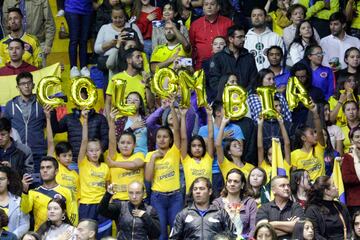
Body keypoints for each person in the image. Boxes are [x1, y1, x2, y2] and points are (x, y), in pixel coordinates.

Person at [145, 99, 183, 240]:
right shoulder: (150, 155)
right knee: (161, 235)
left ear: (171, 140)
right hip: (157, 197)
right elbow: (148, 179)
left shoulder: (175, 151)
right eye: (159, 137)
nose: (161, 140)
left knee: (176, 233)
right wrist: (154, 157)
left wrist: (172, 107)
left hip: (175, 197)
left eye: (165, 137)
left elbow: (177, 130)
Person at [77, 109, 111, 238]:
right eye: (91, 151)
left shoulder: (105, 167)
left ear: (101, 151)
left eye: (97, 150)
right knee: (85, 235)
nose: (94, 153)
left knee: (104, 234)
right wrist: (85, 122)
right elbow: (84, 141)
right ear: (86, 153)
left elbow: (108, 188)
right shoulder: (83, 163)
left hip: (102, 205)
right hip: (87, 205)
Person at [21, 156, 77, 231]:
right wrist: (24, 191)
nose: (45, 170)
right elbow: (25, 210)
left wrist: (69, 232)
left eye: (48, 167)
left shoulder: (68, 192)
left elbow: (73, 215)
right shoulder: (32, 192)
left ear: (56, 171)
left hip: (61, 235)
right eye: (42, 168)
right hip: (40, 235)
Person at [4, 71, 45, 174]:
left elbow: (50, 126)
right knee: (16, 183)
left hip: (38, 152)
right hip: (16, 153)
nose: (26, 86)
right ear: (18, 87)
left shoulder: (42, 103)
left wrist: (42, 142)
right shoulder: (10, 105)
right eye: (23, 84)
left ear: (33, 85)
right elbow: (4, 128)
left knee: (36, 183)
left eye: (29, 83)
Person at [169, 177, 237, 239]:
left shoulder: (220, 213)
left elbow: (234, 235)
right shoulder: (183, 214)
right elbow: (173, 238)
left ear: (210, 191)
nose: (197, 191)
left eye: (202, 188)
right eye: (195, 189)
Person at [51, 100, 109, 165]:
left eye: (83, 98)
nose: (82, 101)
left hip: (93, 162)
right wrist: (52, 111)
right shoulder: (69, 118)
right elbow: (56, 129)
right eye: (78, 98)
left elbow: (106, 140)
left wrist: (94, 153)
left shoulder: (100, 118)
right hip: (73, 162)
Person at [208, 25, 258, 97]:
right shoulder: (218, 57)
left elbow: (253, 80)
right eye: (239, 37)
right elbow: (214, 82)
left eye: (244, 37)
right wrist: (228, 94)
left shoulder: (249, 57)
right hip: (224, 99)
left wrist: (242, 94)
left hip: (245, 98)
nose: (243, 39)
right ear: (231, 39)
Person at [107, 108, 145, 201]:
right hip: (118, 200)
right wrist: (112, 121)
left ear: (134, 145)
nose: (125, 146)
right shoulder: (114, 157)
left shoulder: (139, 155)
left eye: (129, 143)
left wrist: (114, 164)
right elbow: (112, 141)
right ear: (118, 145)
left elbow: (134, 165)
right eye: (122, 143)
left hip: (138, 200)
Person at [2, 0, 55, 66]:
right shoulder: (7, 1)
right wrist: (10, 43)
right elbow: (6, 23)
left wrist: (48, 44)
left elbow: (49, 22)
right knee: (13, 73)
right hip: (15, 46)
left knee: (39, 72)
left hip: (38, 43)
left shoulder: (42, 0)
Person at [105, 48, 154, 117]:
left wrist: (147, 84)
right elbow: (108, 104)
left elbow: (151, 106)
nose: (141, 60)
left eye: (141, 57)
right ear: (129, 60)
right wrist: (110, 123)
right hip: (120, 121)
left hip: (140, 121)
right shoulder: (116, 78)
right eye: (138, 57)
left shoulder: (145, 79)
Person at [94, 4, 143, 73]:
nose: (118, 20)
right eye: (115, 17)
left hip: (130, 59)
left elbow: (142, 45)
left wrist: (130, 43)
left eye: (120, 17)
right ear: (111, 17)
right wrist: (111, 44)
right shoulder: (104, 28)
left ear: (125, 17)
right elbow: (96, 49)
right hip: (110, 60)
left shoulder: (133, 26)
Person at [256, 176, 304, 240]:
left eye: (288, 185)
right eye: (282, 186)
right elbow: (263, 231)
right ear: (273, 190)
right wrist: (290, 227)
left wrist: (271, 224)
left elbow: (300, 228)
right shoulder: (264, 208)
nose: (287, 188)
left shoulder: (296, 206)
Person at [213, 169, 257, 238]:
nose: (232, 184)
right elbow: (213, 228)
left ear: (242, 184)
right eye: (229, 181)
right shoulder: (217, 203)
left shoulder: (250, 203)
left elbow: (253, 228)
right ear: (226, 183)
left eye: (236, 181)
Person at [189, 0, 233, 70]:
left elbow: (232, 45)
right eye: (206, 4)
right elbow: (191, 47)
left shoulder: (228, 23)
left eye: (212, 4)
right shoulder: (195, 24)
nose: (209, 7)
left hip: (224, 66)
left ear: (218, 7)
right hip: (200, 67)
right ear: (203, 8)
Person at [305, 175, 352, 240]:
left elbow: (349, 229)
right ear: (326, 191)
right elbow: (315, 235)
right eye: (333, 185)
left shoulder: (341, 206)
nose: (337, 188)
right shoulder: (312, 210)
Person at [180, 106, 213, 194]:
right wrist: (183, 116)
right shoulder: (186, 159)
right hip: (190, 198)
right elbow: (183, 138)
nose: (197, 148)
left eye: (200, 146)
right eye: (194, 146)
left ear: (204, 148)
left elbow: (211, 137)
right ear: (190, 148)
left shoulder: (208, 158)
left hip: (208, 197)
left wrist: (209, 115)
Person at [291, 105, 325, 181]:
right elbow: (295, 177)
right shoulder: (294, 154)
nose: (315, 135)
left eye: (315, 133)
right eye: (312, 133)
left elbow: (320, 131)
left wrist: (315, 113)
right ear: (303, 138)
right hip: (306, 189)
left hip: (320, 187)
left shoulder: (318, 148)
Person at [65, 0, 93, 77]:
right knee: (74, 39)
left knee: (84, 40)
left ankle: (83, 66)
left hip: (87, 9)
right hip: (72, 8)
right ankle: (73, 67)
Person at [0, 166, 29, 238]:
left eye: (2, 179)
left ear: (8, 181)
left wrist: (11, 237)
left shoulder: (19, 201)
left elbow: (25, 224)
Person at [341, 126, 360, 217]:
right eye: (357, 137)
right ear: (351, 140)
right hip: (355, 201)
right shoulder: (347, 157)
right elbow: (346, 178)